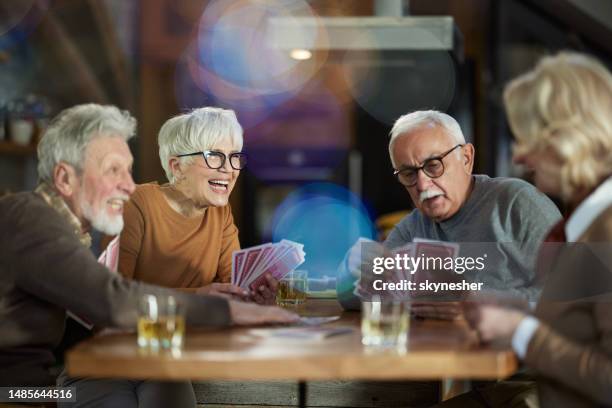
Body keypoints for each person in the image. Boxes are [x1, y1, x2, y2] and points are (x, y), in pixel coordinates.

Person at [0, 104, 297, 405]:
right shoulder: (29, 218)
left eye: (127, 171)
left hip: (59, 383)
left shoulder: (58, 228)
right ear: (65, 178)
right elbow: (113, 301)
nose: (129, 186)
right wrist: (220, 307)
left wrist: (248, 299)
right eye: (113, 170)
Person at [467, 52, 612, 407]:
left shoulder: (608, 228)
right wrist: (521, 310)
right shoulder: (589, 219)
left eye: (526, 138)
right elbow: (586, 326)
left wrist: (519, 332)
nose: (518, 156)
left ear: (565, 139)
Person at [338, 110, 562, 311]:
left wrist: (476, 302)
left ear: (466, 158)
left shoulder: (517, 203)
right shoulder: (412, 229)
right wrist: (353, 268)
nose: (422, 184)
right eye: (408, 173)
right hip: (437, 352)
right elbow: (353, 301)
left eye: (434, 165)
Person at [115, 107, 276, 304]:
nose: (229, 169)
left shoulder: (221, 213)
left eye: (234, 157)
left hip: (201, 330)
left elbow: (233, 288)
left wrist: (253, 294)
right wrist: (197, 297)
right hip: (144, 332)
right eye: (214, 156)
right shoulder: (135, 204)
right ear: (177, 166)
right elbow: (115, 295)